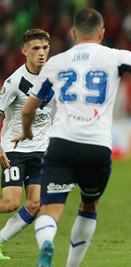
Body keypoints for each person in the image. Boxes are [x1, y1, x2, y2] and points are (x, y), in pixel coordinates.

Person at [12, 8, 131, 267]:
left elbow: (28, 110)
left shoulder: (55, 63)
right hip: (96, 146)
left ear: (73, 33)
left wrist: (26, 130)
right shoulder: (114, 56)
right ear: (102, 33)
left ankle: (47, 243)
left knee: (51, 208)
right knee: (89, 206)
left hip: (61, 144)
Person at [0, 28, 52, 260]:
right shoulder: (14, 82)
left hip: (41, 151)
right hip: (14, 150)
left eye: (45, 48)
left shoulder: (54, 76)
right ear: (25, 51)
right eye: (36, 49)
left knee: (35, 204)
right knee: (10, 203)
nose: (41, 53)